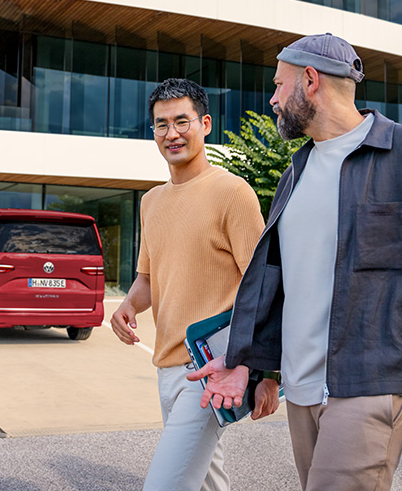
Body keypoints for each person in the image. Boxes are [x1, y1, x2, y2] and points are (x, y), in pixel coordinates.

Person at [187, 34, 402, 490]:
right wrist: (256, 366)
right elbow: (280, 288)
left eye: (280, 85)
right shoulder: (295, 172)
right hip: (301, 394)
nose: (273, 98)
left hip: (371, 385)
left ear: (311, 81)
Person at [110, 78, 279, 491]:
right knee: (206, 482)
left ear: (205, 124)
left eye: (182, 121)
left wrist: (268, 372)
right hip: (166, 369)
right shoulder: (151, 202)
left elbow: (266, 288)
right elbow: (149, 277)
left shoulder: (232, 194)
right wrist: (128, 305)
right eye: (161, 124)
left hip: (211, 368)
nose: (172, 134)